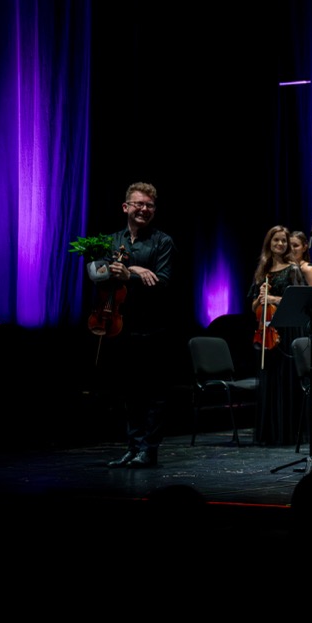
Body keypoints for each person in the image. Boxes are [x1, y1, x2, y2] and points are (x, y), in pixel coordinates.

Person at [105, 182, 176, 468]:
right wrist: (134, 269)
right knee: (130, 393)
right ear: (126, 207)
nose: (144, 209)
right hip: (120, 326)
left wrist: (128, 275)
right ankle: (133, 448)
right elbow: (100, 272)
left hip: (154, 327)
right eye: (139, 204)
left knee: (154, 394)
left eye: (149, 205)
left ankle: (149, 450)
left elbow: (163, 281)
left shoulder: (163, 242)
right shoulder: (112, 240)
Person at [249, 225, 308, 445]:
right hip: (266, 331)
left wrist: (273, 299)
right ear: (269, 243)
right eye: (276, 240)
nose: (280, 244)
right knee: (270, 380)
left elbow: (299, 301)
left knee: (286, 380)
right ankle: (270, 433)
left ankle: (287, 433)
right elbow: (253, 306)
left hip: (287, 330)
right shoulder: (262, 271)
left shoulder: (293, 269)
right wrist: (260, 299)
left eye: (284, 241)